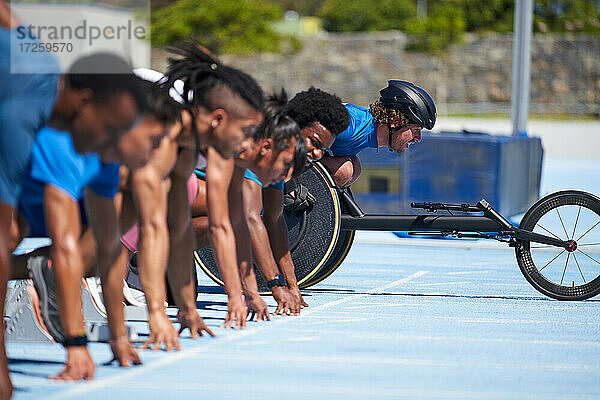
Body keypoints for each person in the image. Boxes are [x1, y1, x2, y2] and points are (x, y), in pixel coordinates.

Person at [7, 53, 153, 382]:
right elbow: (64, 246)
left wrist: (118, 335)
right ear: (85, 105)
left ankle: (35, 267)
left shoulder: (103, 154)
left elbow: (109, 248)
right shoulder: (54, 137)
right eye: (113, 129)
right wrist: (76, 344)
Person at [116, 42, 266, 347]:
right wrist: (153, 315)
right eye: (245, 133)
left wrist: (187, 308)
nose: (245, 144)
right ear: (218, 119)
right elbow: (153, 228)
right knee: (109, 239)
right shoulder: (164, 136)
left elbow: (179, 231)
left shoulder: (187, 149)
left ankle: (43, 270)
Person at [190, 90, 307, 326]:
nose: (286, 177)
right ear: (267, 145)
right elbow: (246, 221)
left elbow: (272, 221)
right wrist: (271, 286)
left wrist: (284, 286)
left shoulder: (261, 158)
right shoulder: (241, 147)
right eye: (285, 167)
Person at [239, 87, 350, 310]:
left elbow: (274, 219)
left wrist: (293, 286)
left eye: (324, 150)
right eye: (315, 143)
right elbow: (251, 220)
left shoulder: (280, 161)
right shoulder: (261, 147)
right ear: (294, 127)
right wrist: (274, 287)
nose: (318, 154)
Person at [320, 80, 437, 188]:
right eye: (416, 130)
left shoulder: (365, 131)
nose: (418, 138)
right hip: (302, 156)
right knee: (344, 170)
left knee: (355, 168)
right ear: (396, 121)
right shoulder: (351, 124)